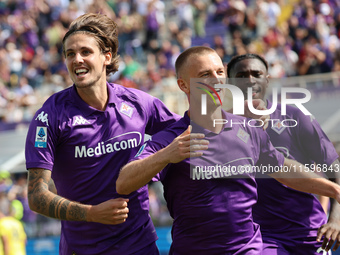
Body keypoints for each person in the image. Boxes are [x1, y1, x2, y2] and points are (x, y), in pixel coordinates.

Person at [116, 46, 340, 254]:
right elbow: (124, 181)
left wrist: (334, 190)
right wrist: (166, 155)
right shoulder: (171, 139)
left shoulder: (247, 128)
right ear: (183, 85)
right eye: (205, 75)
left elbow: (282, 168)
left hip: (249, 248)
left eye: (220, 72)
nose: (216, 80)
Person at [24, 13, 180, 255]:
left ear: (106, 56)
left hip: (140, 246)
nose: (77, 59)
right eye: (70, 54)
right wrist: (91, 213)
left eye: (85, 52)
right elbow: (36, 196)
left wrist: (153, 158)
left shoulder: (138, 102)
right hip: (83, 249)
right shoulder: (50, 116)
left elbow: (180, 130)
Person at [227, 53, 340, 254]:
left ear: (267, 80)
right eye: (242, 76)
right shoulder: (220, 128)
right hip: (260, 236)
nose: (250, 80)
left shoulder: (295, 117)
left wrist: (336, 219)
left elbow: (334, 168)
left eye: (256, 74)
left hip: (310, 233)